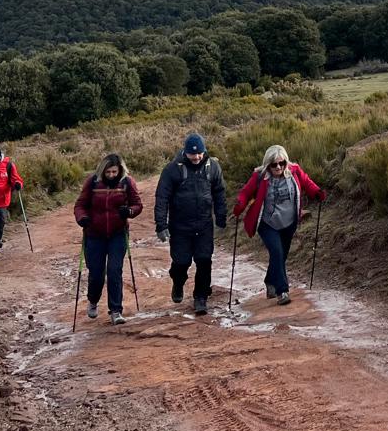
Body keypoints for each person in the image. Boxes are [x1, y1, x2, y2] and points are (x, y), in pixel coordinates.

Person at [232, 144, 325, 306]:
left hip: (289, 222)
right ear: (268, 164)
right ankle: (282, 291)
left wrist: (317, 192)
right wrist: (240, 203)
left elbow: (307, 182)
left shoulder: (294, 171)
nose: (278, 167)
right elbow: (246, 192)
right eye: (274, 164)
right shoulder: (260, 176)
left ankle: (270, 280)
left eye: (282, 163)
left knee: (281, 256)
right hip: (267, 223)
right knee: (276, 252)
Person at [154, 132, 227, 315]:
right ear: (185, 152)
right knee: (181, 261)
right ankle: (178, 282)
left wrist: (221, 218)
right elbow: (162, 197)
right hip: (180, 226)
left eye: (199, 153)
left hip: (204, 224)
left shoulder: (213, 167)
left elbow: (219, 193)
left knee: (204, 260)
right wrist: (161, 225)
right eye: (192, 154)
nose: (196, 157)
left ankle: (201, 297)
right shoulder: (172, 169)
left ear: (204, 151)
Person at [74, 152, 143, 325]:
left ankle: (116, 311)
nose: (111, 175)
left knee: (114, 270)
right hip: (94, 234)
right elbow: (80, 205)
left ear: (119, 170)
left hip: (118, 234)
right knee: (96, 273)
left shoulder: (127, 182)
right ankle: (93, 300)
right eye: (108, 172)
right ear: (102, 171)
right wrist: (82, 218)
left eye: (114, 172)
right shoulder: (92, 182)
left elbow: (137, 204)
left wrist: (130, 211)